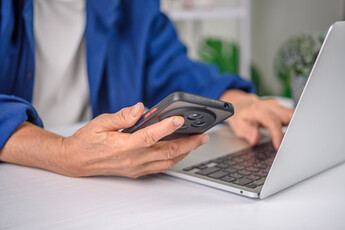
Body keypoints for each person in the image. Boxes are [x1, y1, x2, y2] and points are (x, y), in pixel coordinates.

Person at [0, 0, 293, 178]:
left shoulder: (135, 6)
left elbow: (170, 68)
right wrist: (62, 153)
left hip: (102, 193)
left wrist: (234, 101)